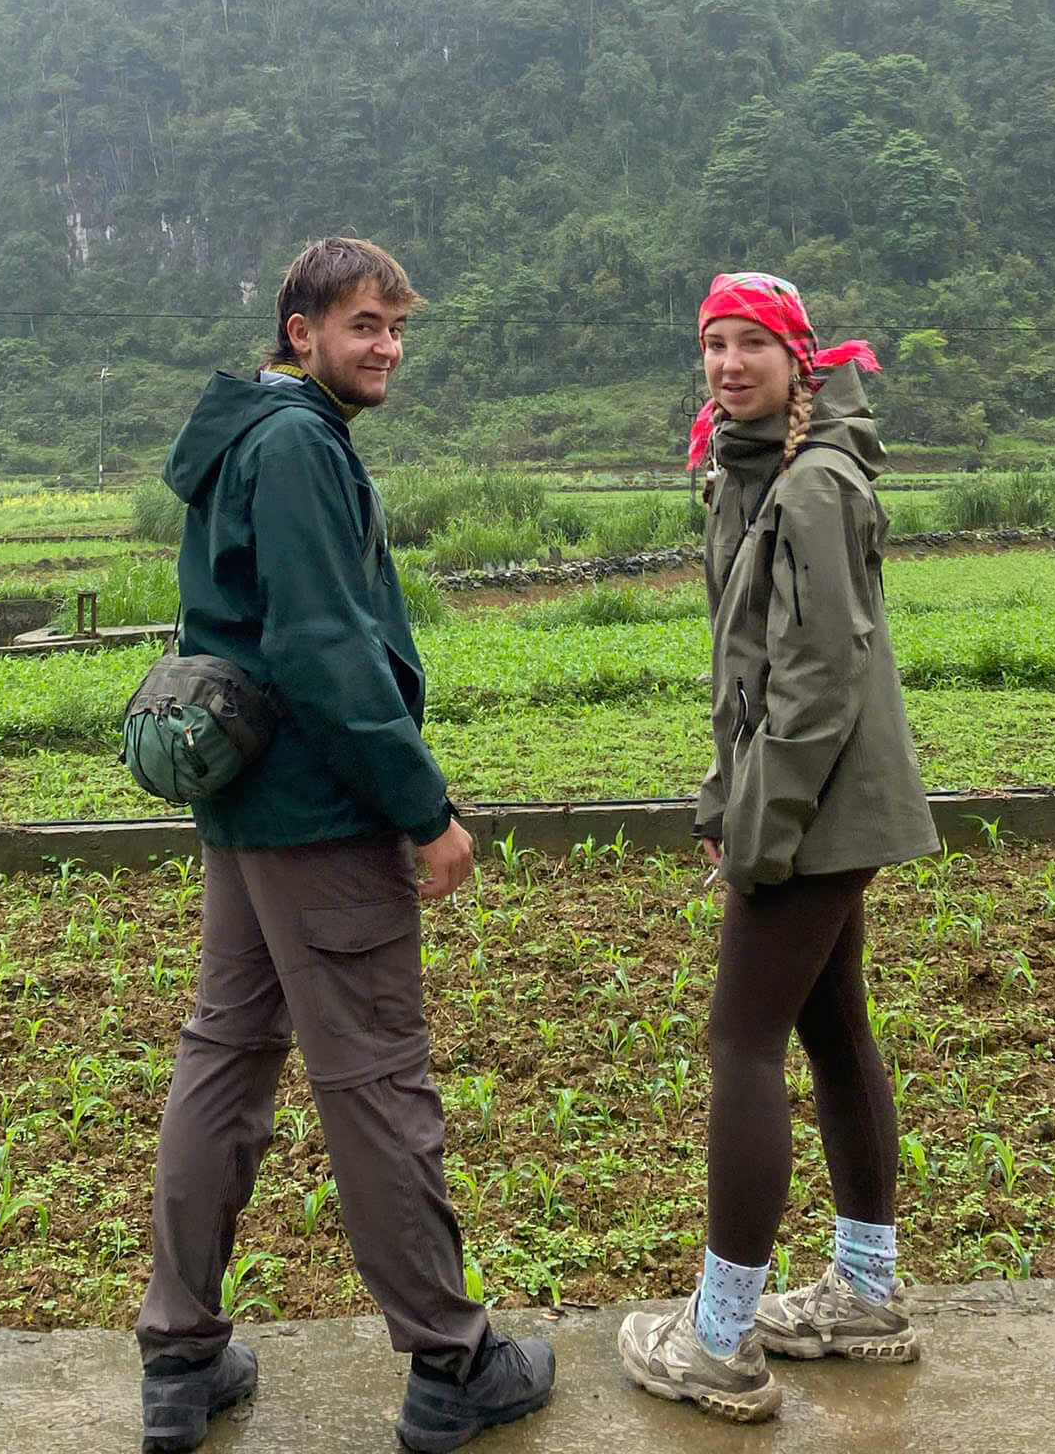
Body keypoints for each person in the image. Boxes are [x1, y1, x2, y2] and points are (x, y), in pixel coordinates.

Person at [136, 237, 556, 1454]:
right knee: (373, 1078)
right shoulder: (299, 448)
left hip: (244, 809)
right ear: (301, 328)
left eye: (396, 327)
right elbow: (326, 648)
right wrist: (423, 806)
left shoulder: (243, 434)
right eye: (364, 323)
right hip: (319, 815)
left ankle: (180, 1355)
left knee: (224, 1052)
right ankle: (451, 1358)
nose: (386, 347)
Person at [618, 271, 940, 1424]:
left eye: (751, 342)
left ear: (799, 359)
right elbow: (739, 674)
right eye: (711, 343)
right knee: (834, 1027)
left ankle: (717, 1339)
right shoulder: (756, 474)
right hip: (817, 806)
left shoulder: (811, 485)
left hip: (814, 811)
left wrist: (758, 829)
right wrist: (724, 793)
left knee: (740, 1039)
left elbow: (814, 687)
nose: (726, 362)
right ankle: (862, 1290)